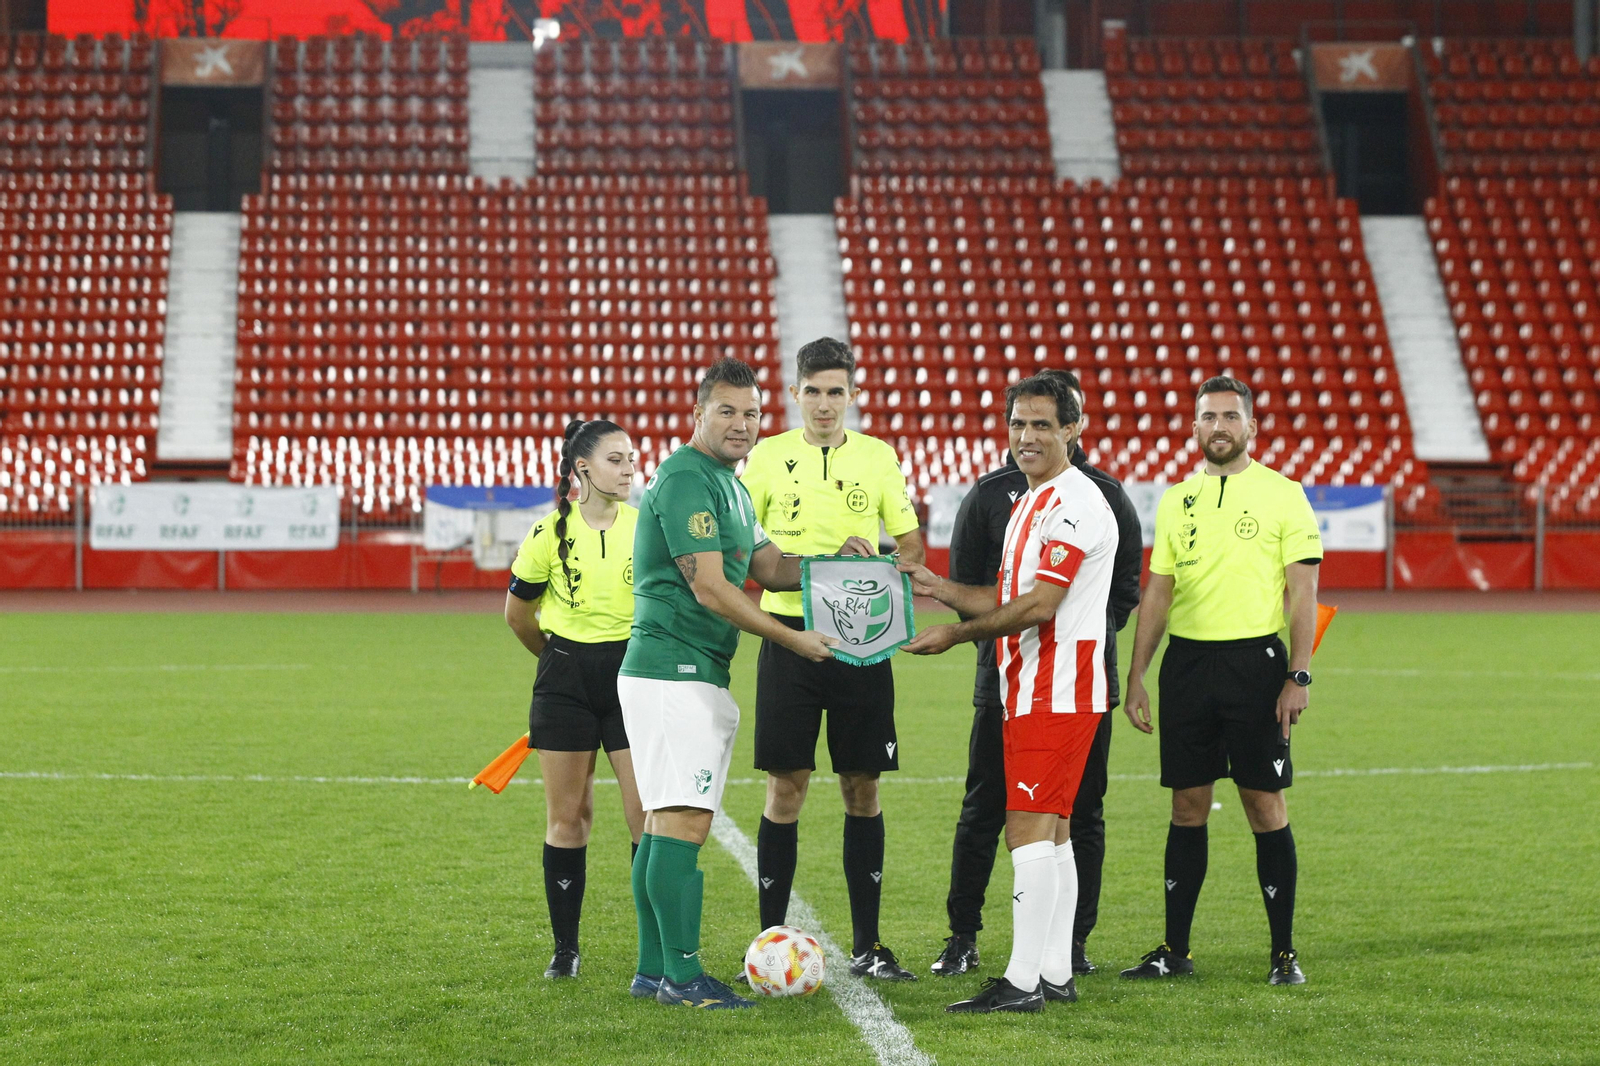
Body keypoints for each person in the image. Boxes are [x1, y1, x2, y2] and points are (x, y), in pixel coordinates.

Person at [619, 356, 876, 1010]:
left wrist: (830, 565)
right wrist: (794, 639)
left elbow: (773, 566)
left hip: (675, 673)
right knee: (682, 820)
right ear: (698, 414)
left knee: (660, 821)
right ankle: (683, 976)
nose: (741, 423)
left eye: (752, 412)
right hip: (674, 672)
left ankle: (654, 969)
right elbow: (709, 586)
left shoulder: (728, 484)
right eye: (727, 410)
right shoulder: (685, 479)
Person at [898, 373, 1117, 1014]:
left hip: (1055, 688)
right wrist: (932, 583)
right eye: (1018, 423)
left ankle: (1021, 983)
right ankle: (1053, 970)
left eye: (1042, 424)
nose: (1026, 437)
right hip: (1036, 686)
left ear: (1073, 429)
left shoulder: (1075, 503)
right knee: (1055, 834)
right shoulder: (1030, 498)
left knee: (1026, 832)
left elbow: (1041, 607)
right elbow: (1008, 597)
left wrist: (954, 635)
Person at [1118, 375, 1321, 986]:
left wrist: (1298, 674)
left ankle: (1283, 953)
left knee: (1265, 804)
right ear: (1196, 426)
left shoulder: (1285, 495)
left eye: (1231, 416)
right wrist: (1137, 674)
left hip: (1256, 669)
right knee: (1187, 806)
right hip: (1187, 666)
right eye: (1209, 417)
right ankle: (1173, 949)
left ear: (1251, 427)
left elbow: (1304, 593)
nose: (1220, 426)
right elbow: (1159, 591)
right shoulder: (1176, 499)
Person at [738, 337, 925, 981]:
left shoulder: (877, 458)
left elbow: (910, 545)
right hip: (788, 641)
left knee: (861, 787)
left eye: (835, 391)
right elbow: (745, 546)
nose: (824, 403)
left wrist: (873, 556)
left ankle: (870, 945)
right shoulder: (764, 458)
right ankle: (768, 941)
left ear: (852, 393)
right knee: (785, 789)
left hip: (861, 646)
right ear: (795, 393)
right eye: (813, 391)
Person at [504, 418, 643, 980]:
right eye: (617, 459)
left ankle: (653, 950)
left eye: (632, 457)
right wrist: (555, 659)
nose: (630, 467)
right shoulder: (546, 534)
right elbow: (518, 615)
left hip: (634, 677)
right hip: (564, 681)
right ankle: (565, 951)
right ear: (583, 469)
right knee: (569, 819)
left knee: (646, 818)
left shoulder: (648, 527)